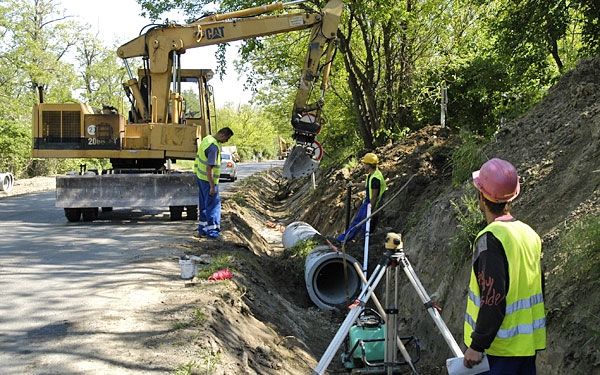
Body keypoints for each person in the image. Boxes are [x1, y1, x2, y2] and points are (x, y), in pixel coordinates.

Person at [463, 158, 546, 374]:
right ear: (512, 197)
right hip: (526, 349)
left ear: (482, 197)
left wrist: (477, 345)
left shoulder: (491, 239)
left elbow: (493, 298)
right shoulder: (530, 234)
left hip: (498, 352)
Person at [336, 152, 386, 243]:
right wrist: (355, 184)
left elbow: (374, 196)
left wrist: (370, 210)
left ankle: (348, 241)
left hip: (370, 204)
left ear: (368, 165)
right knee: (359, 223)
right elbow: (367, 184)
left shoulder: (375, 179)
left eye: (364, 164)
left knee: (362, 224)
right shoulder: (373, 175)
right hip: (367, 203)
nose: (363, 165)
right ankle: (346, 240)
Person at [194, 127, 234, 239]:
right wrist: (212, 186)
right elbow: (209, 168)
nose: (227, 141)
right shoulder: (213, 147)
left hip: (201, 178)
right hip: (208, 180)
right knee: (213, 206)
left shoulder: (207, 139)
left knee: (204, 206)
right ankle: (213, 233)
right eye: (227, 138)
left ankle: (202, 229)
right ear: (222, 135)